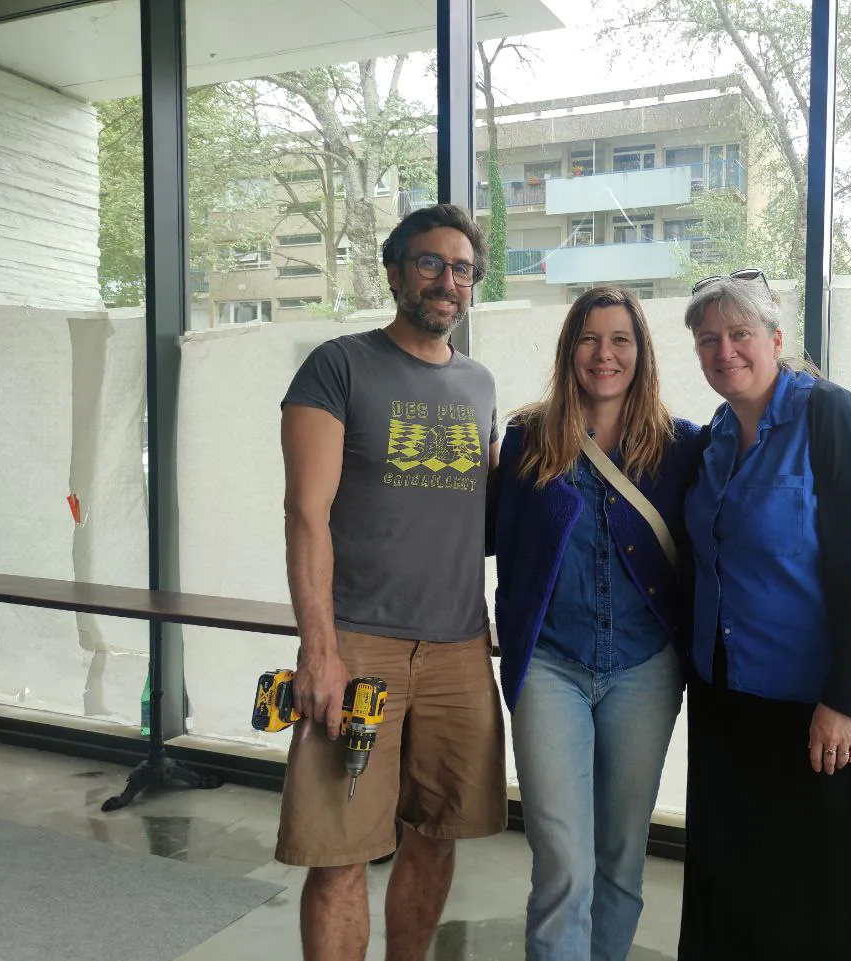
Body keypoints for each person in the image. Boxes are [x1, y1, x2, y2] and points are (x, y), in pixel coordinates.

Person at [276, 203, 507, 961]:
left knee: (438, 836)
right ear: (395, 272)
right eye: (430, 263)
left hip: (459, 647)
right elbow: (306, 514)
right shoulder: (339, 366)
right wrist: (319, 650)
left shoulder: (480, 384)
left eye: (462, 269)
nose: (447, 281)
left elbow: (490, 513)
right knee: (339, 850)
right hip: (359, 645)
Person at [678, 270, 851, 961]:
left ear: (776, 339)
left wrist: (846, 702)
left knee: (826, 899)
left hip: (821, 709)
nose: (725, 351)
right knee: (746, 890)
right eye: (708, 340)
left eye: (740, 334)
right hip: (731, 702)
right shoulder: (716, 436)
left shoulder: (832, 417)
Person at [490, 286, 703, 961]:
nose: (603, 354)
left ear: (642, 352)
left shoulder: (680, 446)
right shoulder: (528, 439)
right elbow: (494, 539)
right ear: (568, 349)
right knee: (563, 862)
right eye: (589, 337)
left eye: (620, 339)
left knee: (620, 857)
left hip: (644, 670)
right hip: (550, 666)